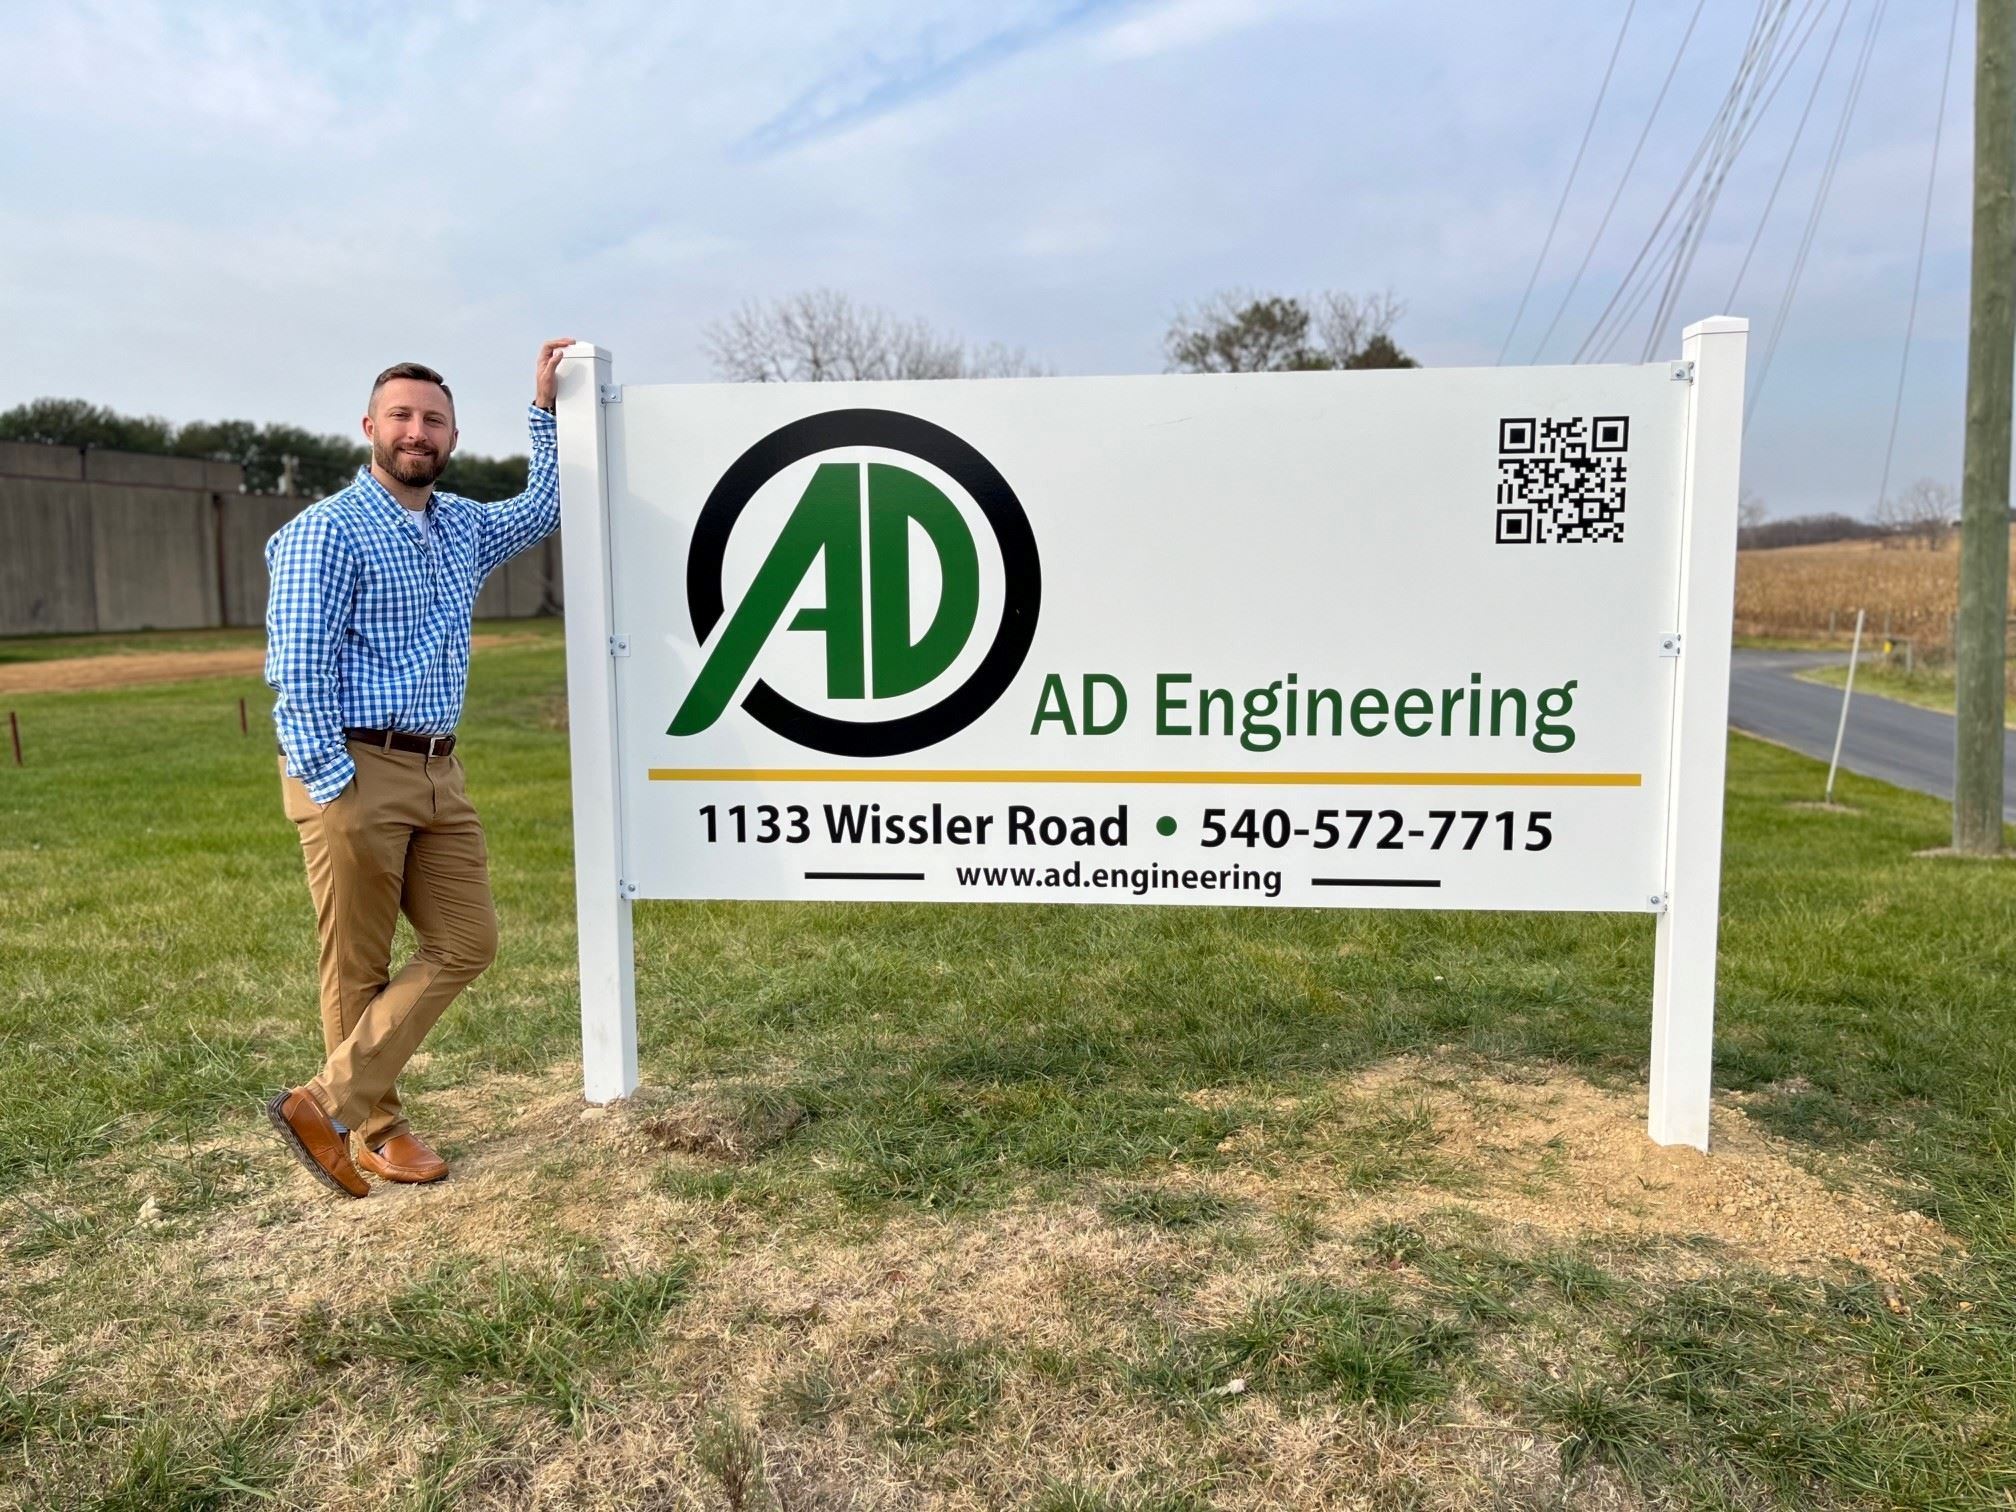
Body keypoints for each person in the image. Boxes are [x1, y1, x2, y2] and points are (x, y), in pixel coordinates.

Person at [263, 339, 573, 1198]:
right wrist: (335, 788)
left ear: (452, 436)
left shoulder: (464, 526)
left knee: (468, 940)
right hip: (355, 768)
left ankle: (320, 1103)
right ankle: (378, 1130)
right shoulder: (322, 531)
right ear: (369, 426)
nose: (416, 430)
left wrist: (543, 412)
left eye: (433, 419)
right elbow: (297, 670)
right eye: (400, 415)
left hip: (440, 768)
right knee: (356, 967)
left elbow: (544, 508)